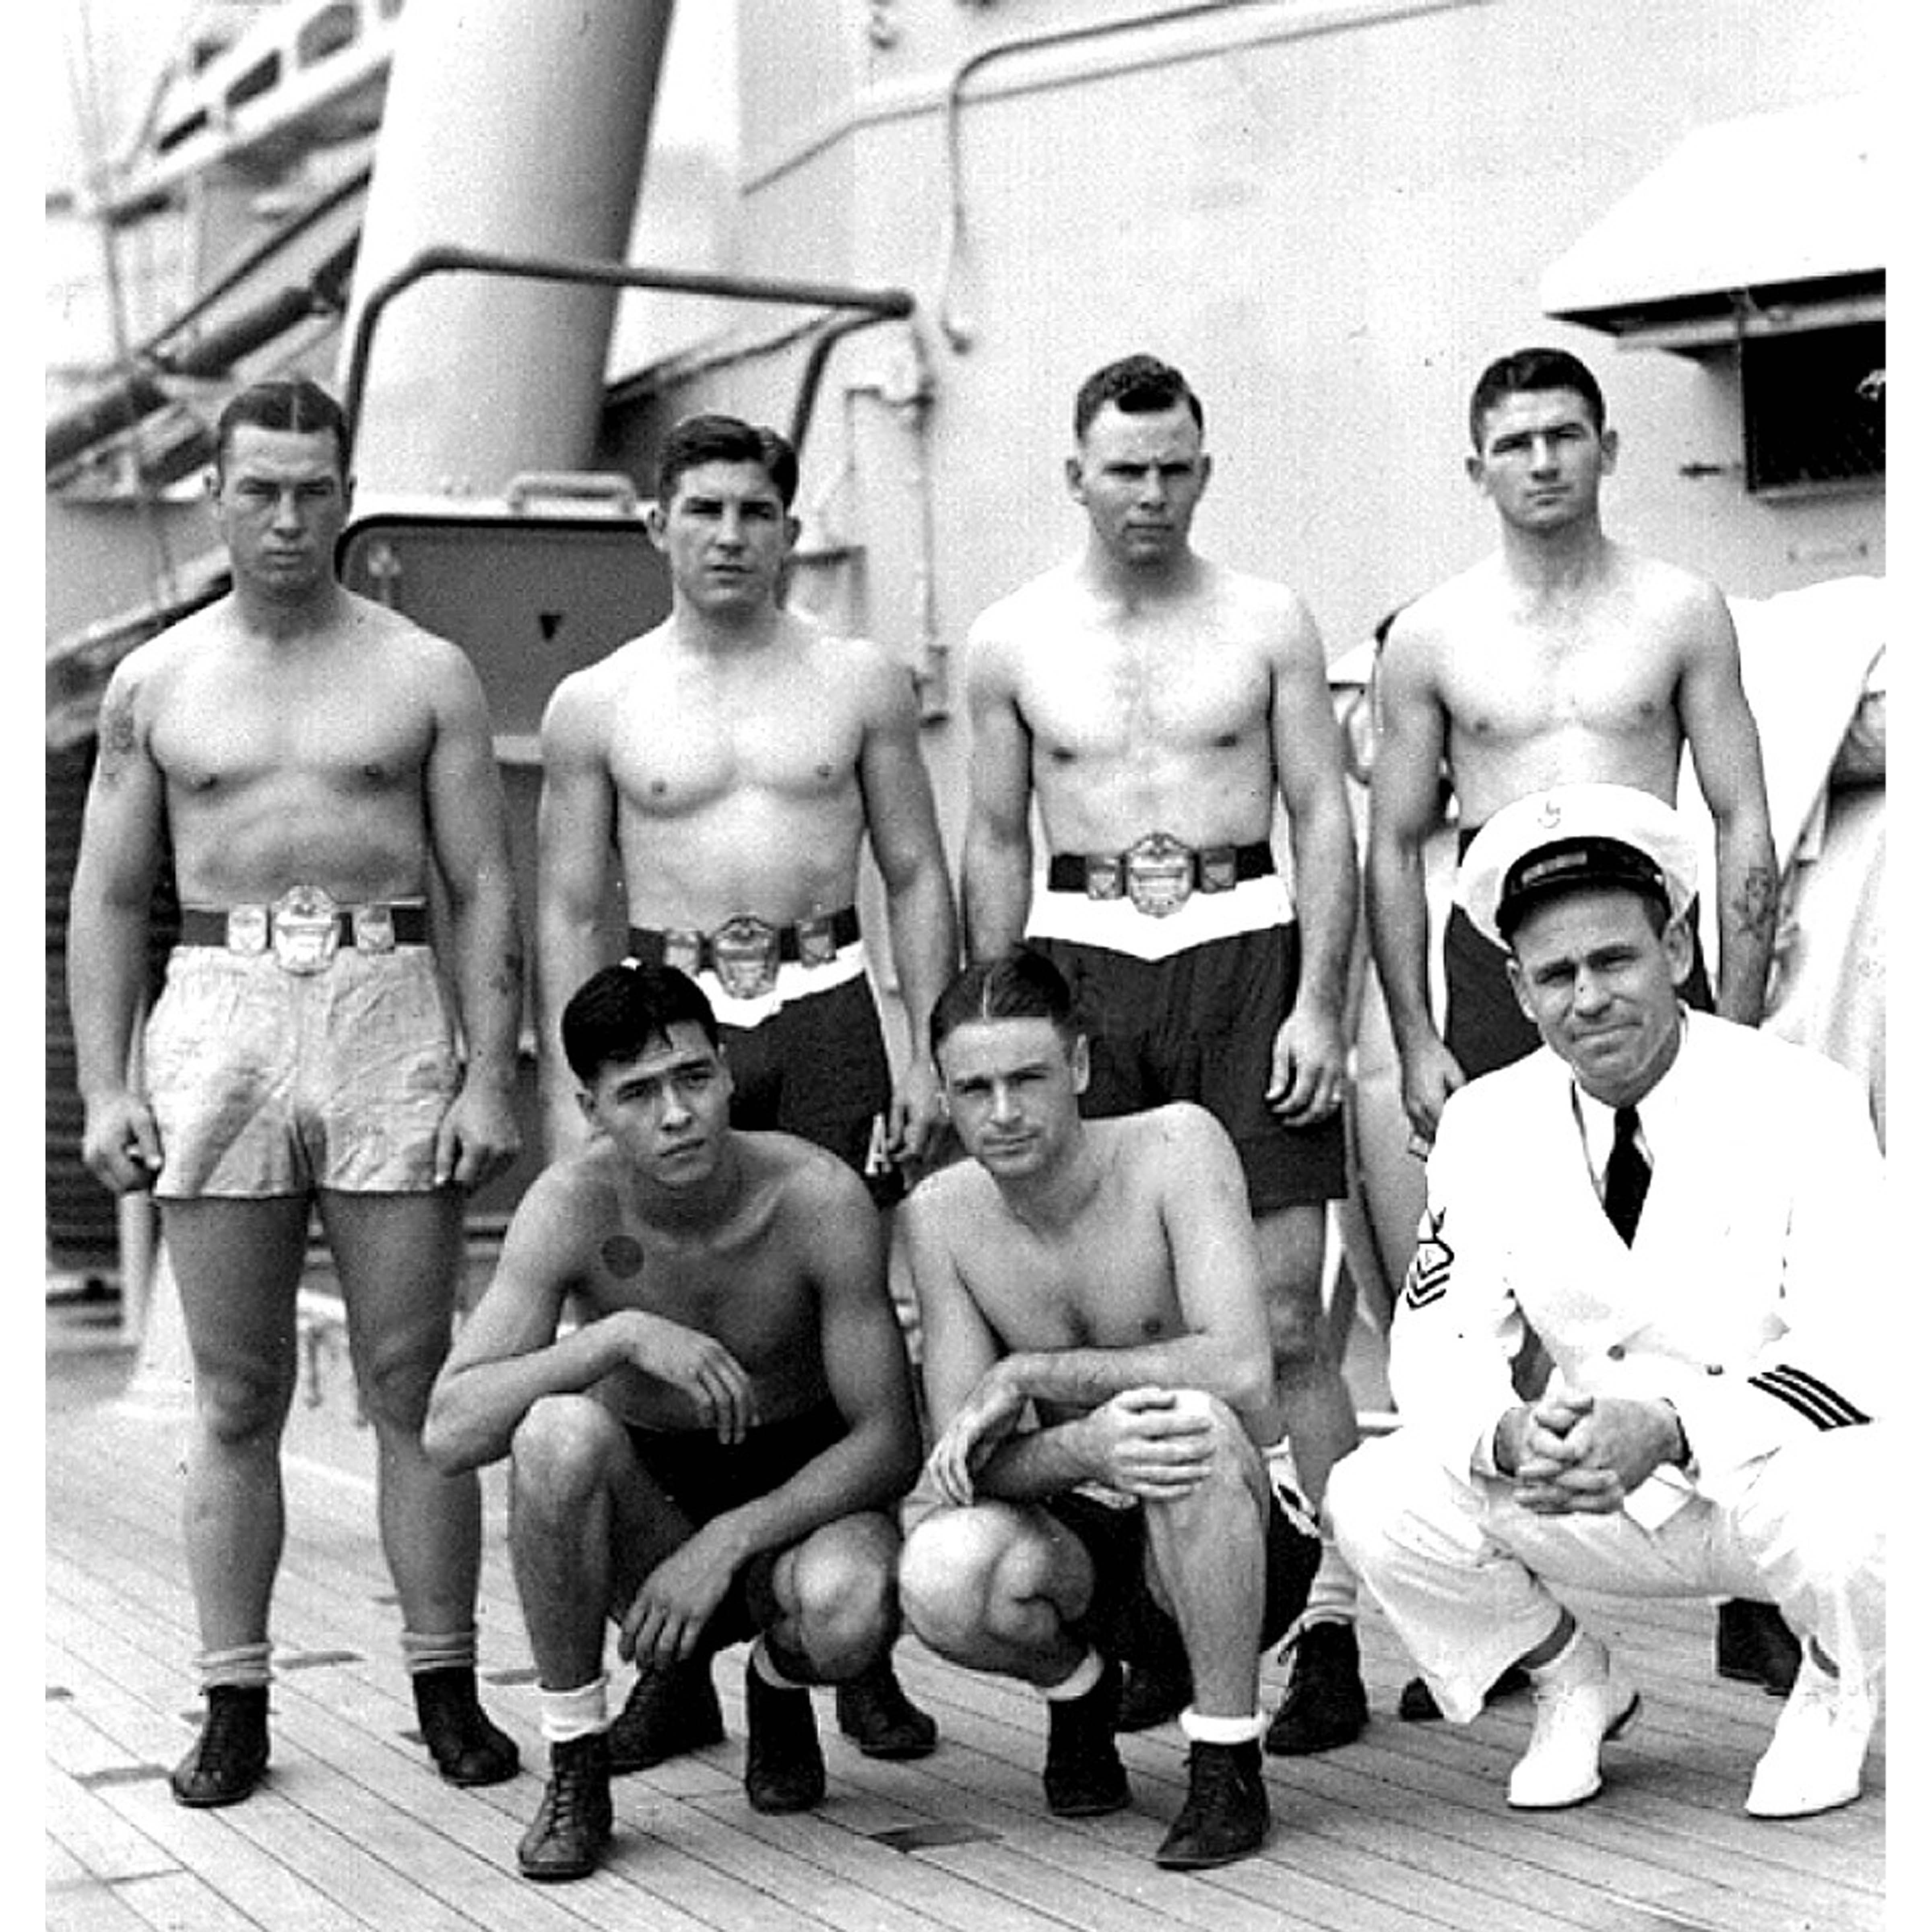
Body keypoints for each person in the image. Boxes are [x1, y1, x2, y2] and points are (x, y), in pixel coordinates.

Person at [66, 376, 524, 1807]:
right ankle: (232, 1702)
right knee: (236, 1390)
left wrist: (489, 1072)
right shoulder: (157, 683)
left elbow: (482, 882)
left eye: (312, 487)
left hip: (387, 1001)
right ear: (216, 495)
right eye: (258, 488)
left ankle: (446, 1688)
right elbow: (104, 893)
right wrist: (105, 1085)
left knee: (412, 1379)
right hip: (219, 1007)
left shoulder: (424, 670)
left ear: (345, 492)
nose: (285, 516)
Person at [1328, 784, 1884, 1820]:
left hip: (1759, 1483)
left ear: (1675, 950)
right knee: (1377, 1494)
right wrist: (1508, 1435)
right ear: (1519, 987)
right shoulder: (1486, 1123)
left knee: (1864, 1498)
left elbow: (1860, 1343)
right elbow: (1433, 1344)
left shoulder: (1803, 1097)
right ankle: (1572, 1677)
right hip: (1590, 1488)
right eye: (1556, 975)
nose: (1589, 999)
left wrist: (1670, 1429)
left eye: (1614, 960)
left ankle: (1834, 1684)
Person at [1365, 345, 1789, 1703]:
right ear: (1473, 465)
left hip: (1648, 944)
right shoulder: (1432, 633)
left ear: (1607, 448)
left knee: (1714, 1250)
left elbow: (1739, 809)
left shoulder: (1680, 607)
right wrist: (1421, 1031)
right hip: (1501, 960)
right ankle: (1516, 1589)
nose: (1541, 461)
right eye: (1513, 441)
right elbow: (1390, 845)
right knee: (1499, 1263)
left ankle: (1754, 1568)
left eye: (1564, 435)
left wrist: (1744, 979)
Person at [536, 411, 958, 1761]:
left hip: (826, 1007)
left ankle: (855, 1647)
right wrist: (571, 1090)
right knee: (657, 1307)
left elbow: (915, 873)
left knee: (851, 1318)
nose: (730, 537)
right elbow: (565, 901)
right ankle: (674, 1665)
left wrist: (926, 1051)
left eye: (755, 513)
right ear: (659, 522)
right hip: (671, 1016)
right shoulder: (599, 701)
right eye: (704, 510)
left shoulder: (860, 683)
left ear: (791, 527)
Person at [960, 353, 1365, 1752]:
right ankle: (1158, 1623)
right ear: (1075, 475)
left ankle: (1331, 1629)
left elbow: (1322, 813)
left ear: (1206, 467)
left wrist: (1321, 1003)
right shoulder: (1011, 639)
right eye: (1124, 469)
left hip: (1245, 948)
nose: (1150, 492)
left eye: (1174, 466)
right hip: (1084, 968)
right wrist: (997, 1023)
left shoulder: (1265, 620)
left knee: (1290, 1315)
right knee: (1127, 1316)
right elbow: (997, 838)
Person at [423, 962, 925, 1880]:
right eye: (639, 1093)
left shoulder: (817, 1198)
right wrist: (614, 1337)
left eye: (694, 1078)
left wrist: (728, 1542)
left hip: (796, 1505)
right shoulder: (570, 1207)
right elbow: (451, 1430)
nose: (677, 1114)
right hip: (649, 1501)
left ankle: (778, 1683)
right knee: (554, 1434)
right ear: (591, 1108)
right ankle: (577, 1759)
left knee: (852, 1607)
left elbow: (890, 1440)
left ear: (728, 1071)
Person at [896, 948, 1321, 1869]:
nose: (1003, 1114)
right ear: (944, 1093)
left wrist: (1033, 1375)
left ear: (1079, 1068)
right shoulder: (941, 1214)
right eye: (974, 1090)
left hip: (1241, 1528)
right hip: (1092, 1537)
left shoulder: (1177, 1145)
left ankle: (1224, 1759)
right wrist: (1087, 1446)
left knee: (1186, 1423)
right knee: (940, 1571)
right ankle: (1079, 1691)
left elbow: (1243, 1369)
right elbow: (965, 1464)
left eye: (1028, 1079)